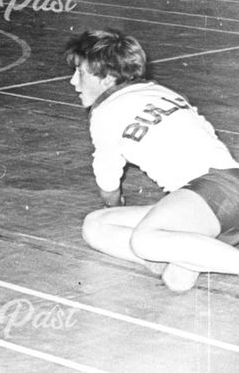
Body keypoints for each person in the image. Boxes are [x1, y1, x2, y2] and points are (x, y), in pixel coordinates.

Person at [66, 28, 239, 292]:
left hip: (214, 189)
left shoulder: (105, 112)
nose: (73, 82)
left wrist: (114, 202)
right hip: (215, 196)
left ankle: (187, 253)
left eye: (80, 72)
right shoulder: (159, 92)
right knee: (96, 225)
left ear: (107, 77)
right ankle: (183, 258)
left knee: (143, 240)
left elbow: (107, 179)